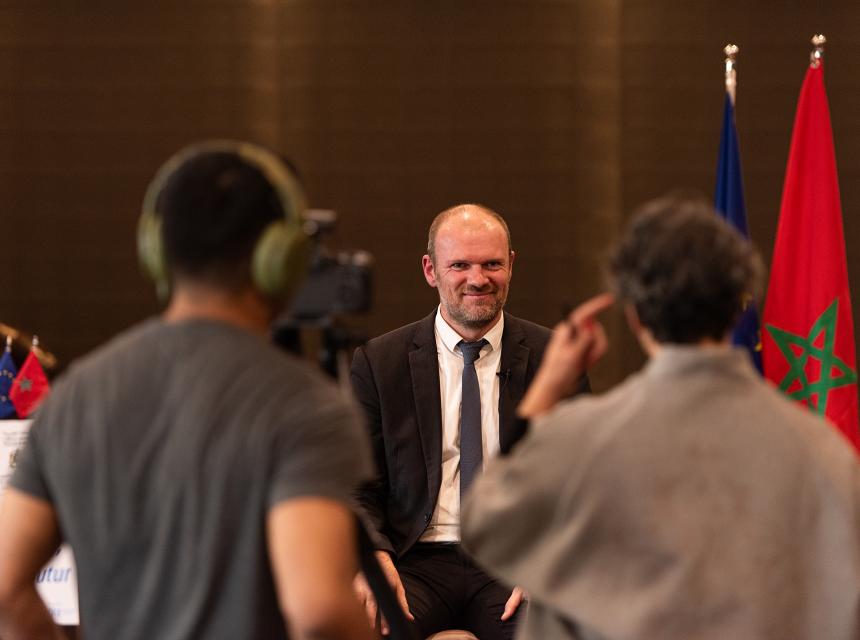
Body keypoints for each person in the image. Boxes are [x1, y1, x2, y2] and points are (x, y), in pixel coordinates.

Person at [0, 141, 376, 640]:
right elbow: (319, 610)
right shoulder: (307, 405)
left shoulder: (75, 395)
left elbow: (6, 588)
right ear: (281, 258)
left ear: (155, 250)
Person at [461, 194, 860, 640]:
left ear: (634, 314)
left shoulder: (584, 439)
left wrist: (542, 396)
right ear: (739, 308)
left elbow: (485, 526)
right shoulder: (823, 449)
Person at [351, 203, 589, 639]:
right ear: (430, 270)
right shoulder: (379, 363)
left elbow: (580, 480)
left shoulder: (555, 357)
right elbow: (359, 486)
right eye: (459, 265)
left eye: (491, 264)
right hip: (414, 560)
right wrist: (374, 559)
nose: (478, 279)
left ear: (511, 265)